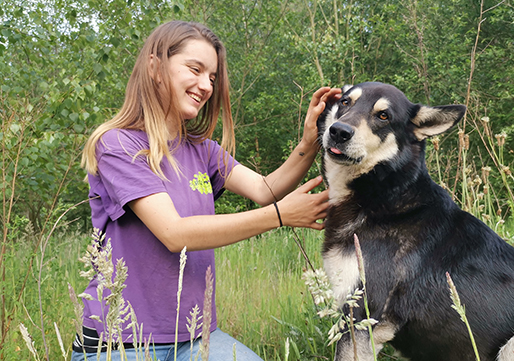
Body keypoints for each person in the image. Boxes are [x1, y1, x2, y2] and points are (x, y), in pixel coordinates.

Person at [72, 20, 340, 361]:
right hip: (122, 342)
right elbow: (173, 233)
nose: (205, 86)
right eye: (195, 69)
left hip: (197, 338)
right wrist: (278, 217)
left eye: (212, 77)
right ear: (155, 66)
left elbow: (264, 188)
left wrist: (309, 141)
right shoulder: (117, 145)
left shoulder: (203, 150)